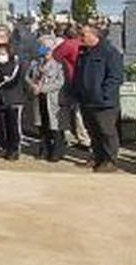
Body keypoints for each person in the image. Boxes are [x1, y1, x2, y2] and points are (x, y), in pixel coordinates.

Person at [68, 23, 124, 172]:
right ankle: (97, 157)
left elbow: (115, 77)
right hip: (86, 99)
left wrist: (103, 94)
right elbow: (78, 75)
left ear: (94, 35)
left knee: (106, 132)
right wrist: (76, 92)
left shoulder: (110, 52)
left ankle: (110, 161)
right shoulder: (84, 52)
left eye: (84, 35)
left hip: (104, 102)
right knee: (93, 131)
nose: (81, 38)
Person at [26, 34, 66, 161]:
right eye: (41, 46)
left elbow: (60, 82)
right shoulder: (35, 63)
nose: (42, 48)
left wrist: (43, 88)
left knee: (54, 125)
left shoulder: (59, 64)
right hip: (38, 98)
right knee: (41, 125)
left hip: (52, 98)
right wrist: (33, 85)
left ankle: (57, 151)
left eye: (45, 46)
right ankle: (44, 148)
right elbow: (27, 76)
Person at [52, 26, 87, 148]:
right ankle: (85, 138)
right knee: (81, 111)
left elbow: (55, 56)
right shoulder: (83, 44)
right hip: (84, 80)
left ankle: (78, 138)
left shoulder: (68, 44)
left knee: (72, 110)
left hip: (70, 79)